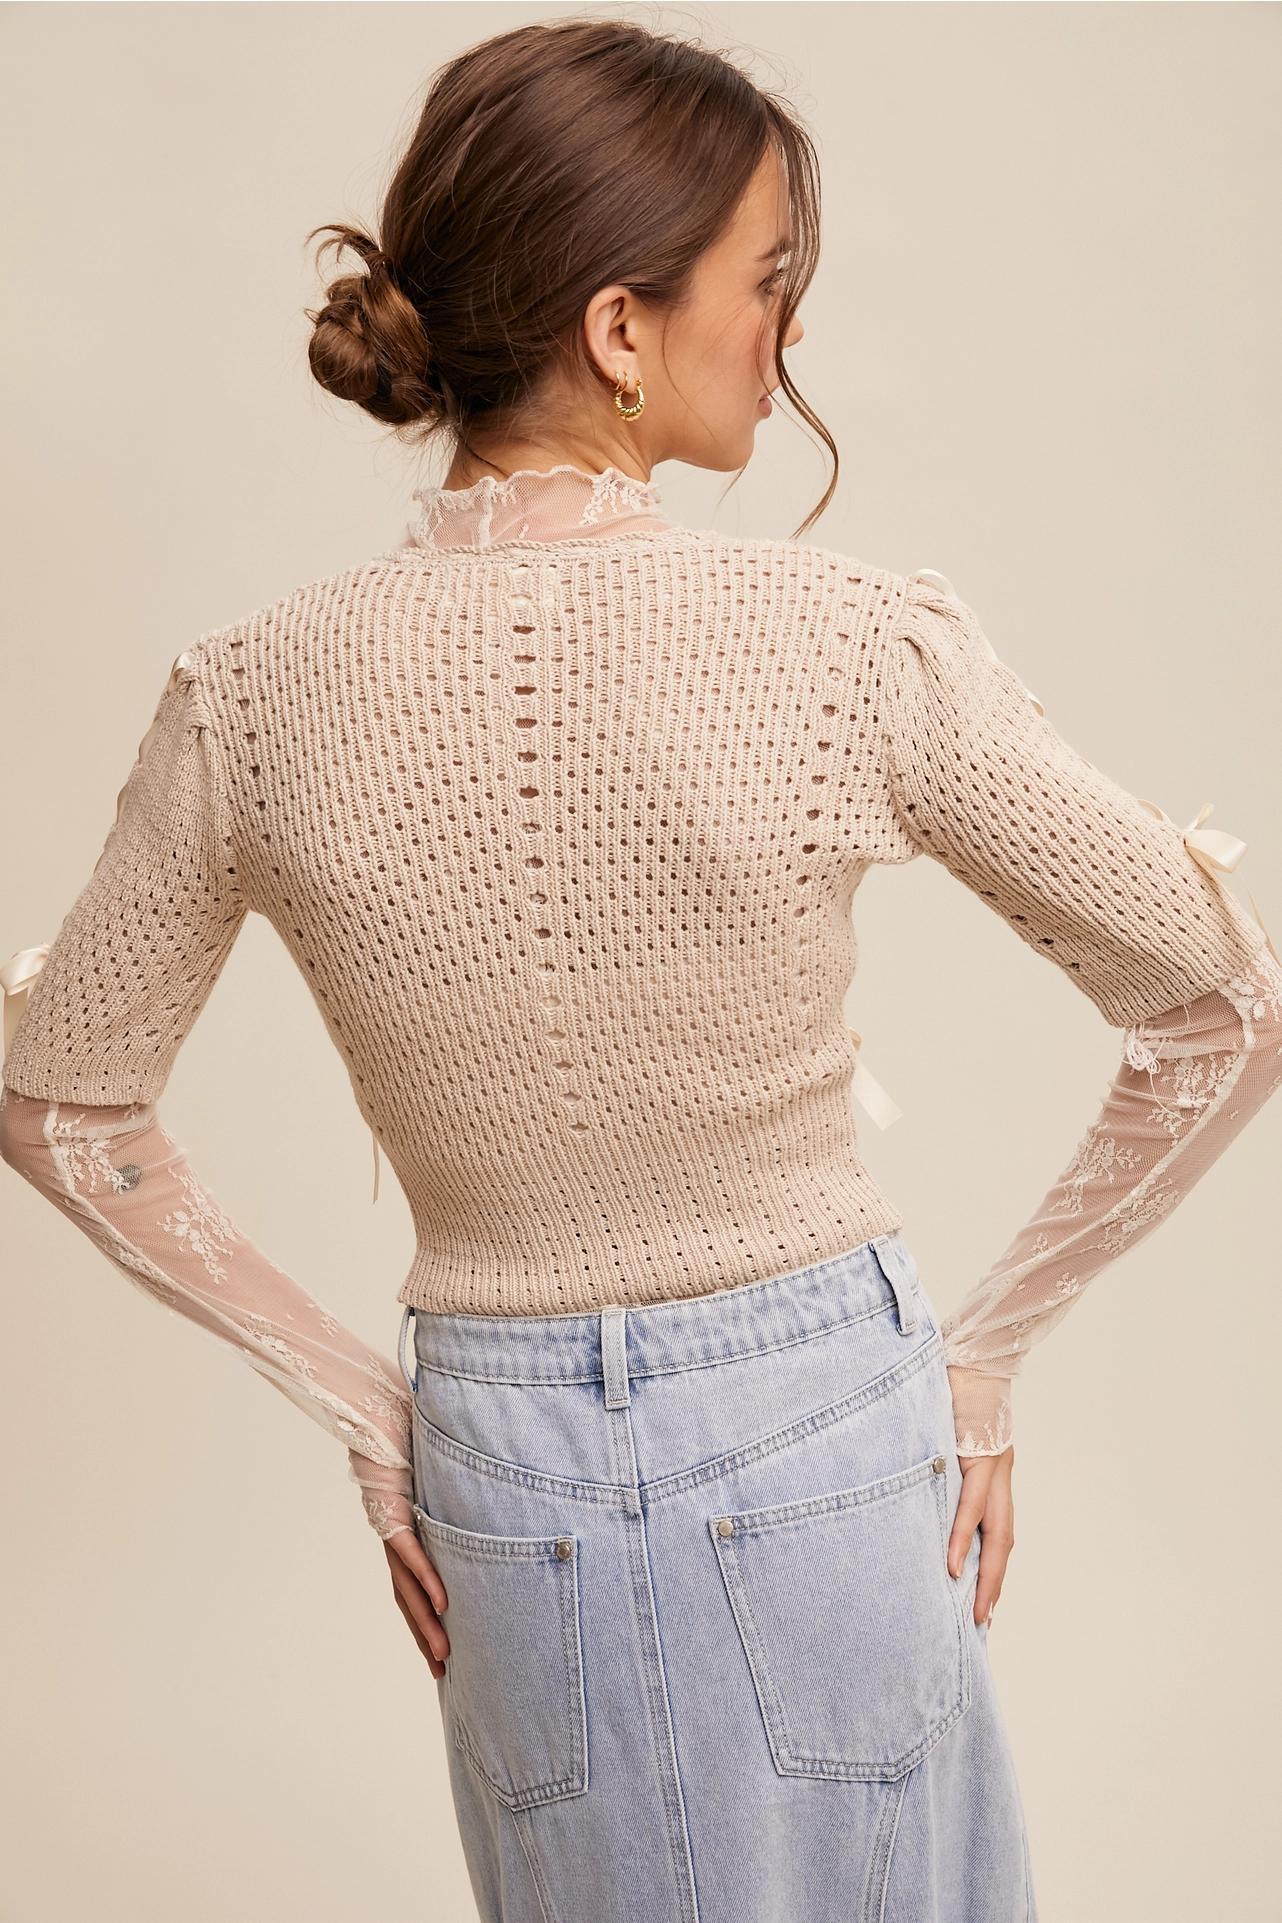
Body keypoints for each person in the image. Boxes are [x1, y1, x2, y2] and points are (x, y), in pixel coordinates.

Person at [3, 18, 1278, 1921]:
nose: (785, 332)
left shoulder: (251, 693)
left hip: (497, 1464)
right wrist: (987, 1355)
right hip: (824, 1416)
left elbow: (60, 1101)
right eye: (763, 282)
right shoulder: (846, 640)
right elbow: (1222, 1004)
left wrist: (367, 1410)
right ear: (619, 327)